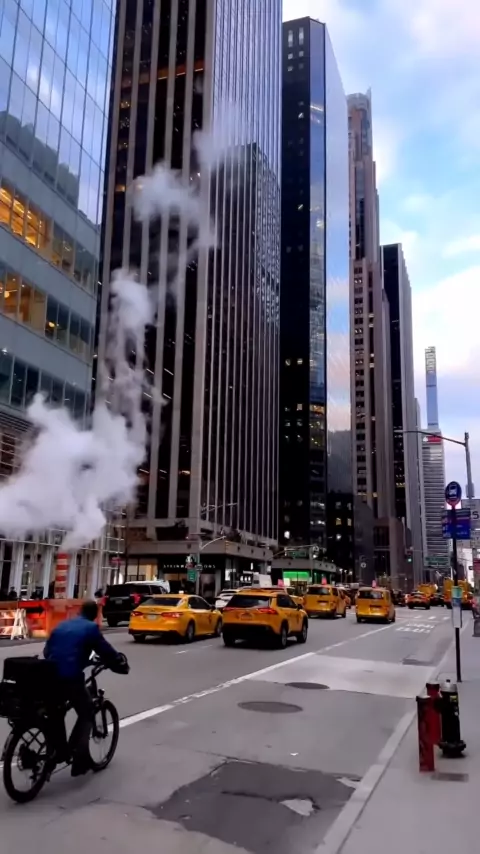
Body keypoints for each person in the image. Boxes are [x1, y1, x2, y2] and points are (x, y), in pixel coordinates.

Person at [44, 600, 123, 776]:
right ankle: (79, 759)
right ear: (95, 615)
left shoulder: (62, 625)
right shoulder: (90, 628)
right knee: (87, 711)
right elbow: (106, 651)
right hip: (70, 677)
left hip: (49, 676)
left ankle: (57, 751)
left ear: (79, 611)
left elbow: (47, 651)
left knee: (55, 713)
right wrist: (118, 662)